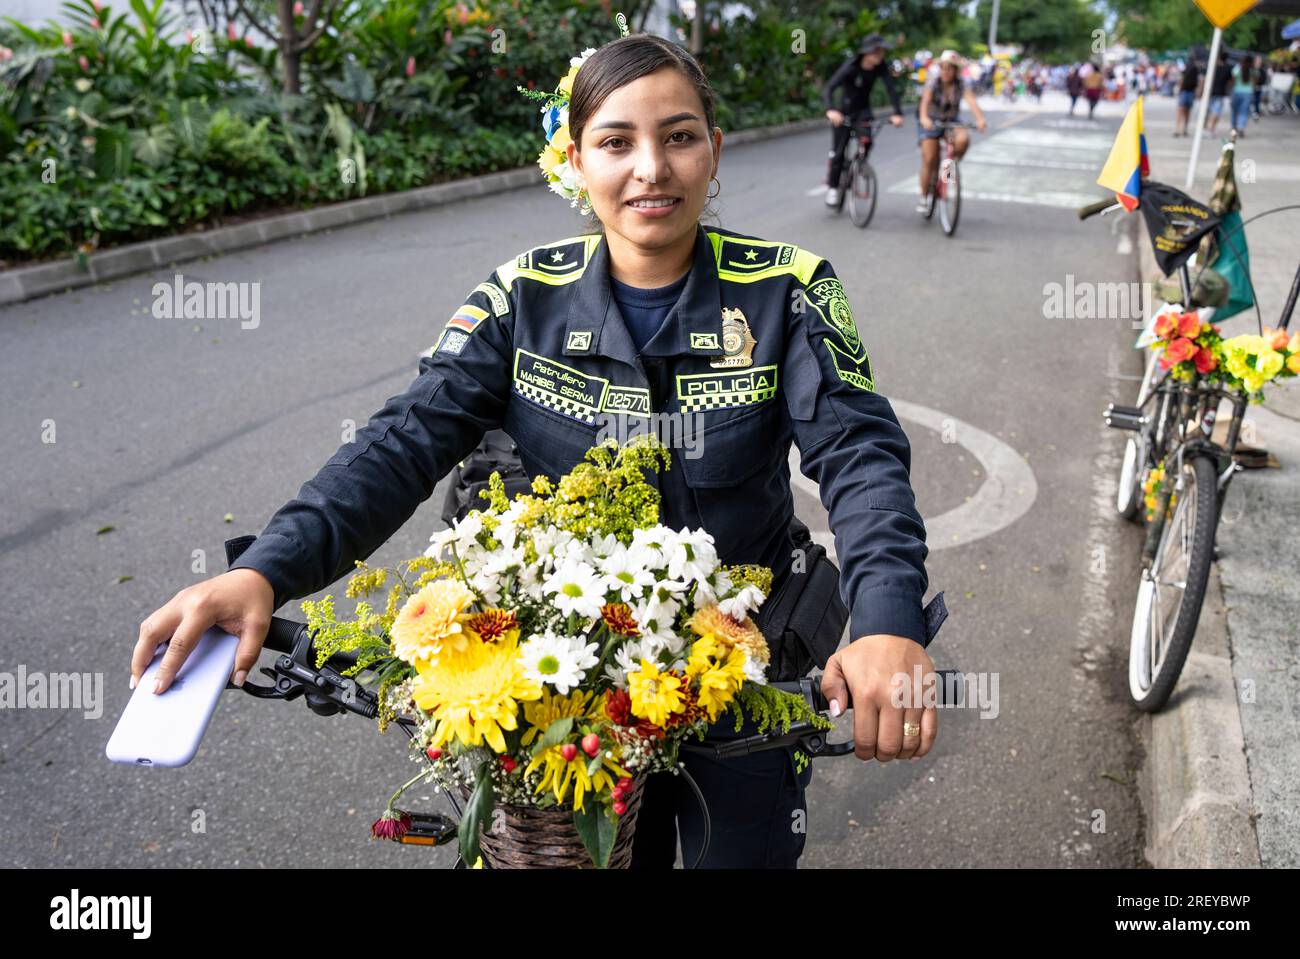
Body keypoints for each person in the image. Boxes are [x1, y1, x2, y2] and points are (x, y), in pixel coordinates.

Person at [130, 32, 939, 870]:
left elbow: (860, 455)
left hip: (743, 675)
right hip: (559, 692)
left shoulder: (789, 287)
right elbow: (404, 439)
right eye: (617, 142)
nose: (652, 169)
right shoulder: (520, 295)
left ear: (713, 150)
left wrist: (886, 622)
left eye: (680, 136)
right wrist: (262, 569)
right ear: (576, 160)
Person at [822, 33, 905, 208]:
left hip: (863, 111)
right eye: (877, 52)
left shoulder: (880, 67)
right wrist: (830, 110)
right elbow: (829, 88)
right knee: (838, 152)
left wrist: (897, 113)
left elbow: (891, 89)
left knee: (867, 140)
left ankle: (859, 164)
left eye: (882, 52)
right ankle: (833, 187)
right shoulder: (850, 67)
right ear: (867, 52)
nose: (880, 56)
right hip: (843, 112)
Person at [916, 50, 987, 214]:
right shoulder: (933, 82)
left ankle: (948, 167)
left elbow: (971, 101)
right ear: (940, 68)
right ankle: (924, 196)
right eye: (944, 68)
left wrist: (980, 120)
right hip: (931, 121)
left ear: (956, 70)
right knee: (929, 158)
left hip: (951, 121)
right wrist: (924, 118)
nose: (946, 71)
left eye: (950, 68)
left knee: (963, 139)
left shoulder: (961, 83)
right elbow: (924, 103)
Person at [1205, 49, 1231, 133]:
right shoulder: (1227, 69)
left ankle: (1208, 127)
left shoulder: (1212, 68)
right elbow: (1230, 82)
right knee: (1216, 111)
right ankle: (1211, 128)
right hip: (1220, 93)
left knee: (1210, 111)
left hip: (1210, 92)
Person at [1174, 57, 1200, 136]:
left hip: (1185, 91)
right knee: (1187, 112)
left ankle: (1178, 129)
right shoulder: (1195, 69)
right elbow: (1198, 81)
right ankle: (1184, 129)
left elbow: (1182, 79)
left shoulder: (1186, 69)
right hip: (1190, 91)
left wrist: (1180, 89)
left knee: (1181, 111)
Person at [1230, 55, 1254, 137]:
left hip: (1237, 91)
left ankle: (1234, 127)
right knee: (1244, 111)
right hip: (1248, 93)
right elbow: (1255, 82)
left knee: (1234, 111)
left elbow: (1232, 81)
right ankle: (1241, 127)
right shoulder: (1253, 70)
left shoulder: (1237, 68)